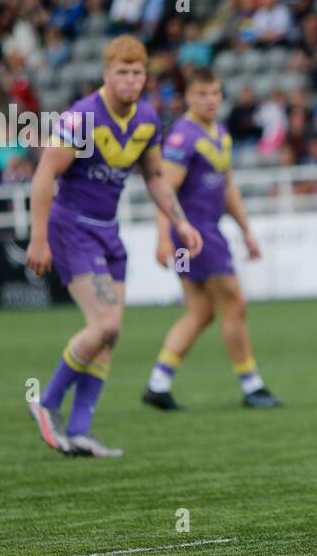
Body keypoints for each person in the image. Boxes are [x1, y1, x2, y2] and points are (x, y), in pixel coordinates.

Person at [26, 36, 202, 457]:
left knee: (112, 334)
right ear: (106, 74)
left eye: (136, 72)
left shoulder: (146, 118)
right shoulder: (82, 117)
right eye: (121, 72)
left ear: (145, 76)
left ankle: (81, 429)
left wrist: (181, 221)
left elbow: (156, 176)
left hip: (109, 231)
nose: (129, 79)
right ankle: (46, 403)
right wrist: (38, 237)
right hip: (71, 228)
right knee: (103, 325)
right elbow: (44, 175)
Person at [142, 66, 282, 410]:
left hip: (204, 231)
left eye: (215, 93)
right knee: (235, 302)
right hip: (194, 233)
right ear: (187, 97)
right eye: (202, 94)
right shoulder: (183, 137)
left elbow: (228, 186)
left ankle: (158, 383)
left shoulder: (219, 131)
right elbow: (165, 192)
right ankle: (251, 385)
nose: (210, 100)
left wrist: (247, 230)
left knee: (202, 310)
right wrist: (162, 238)